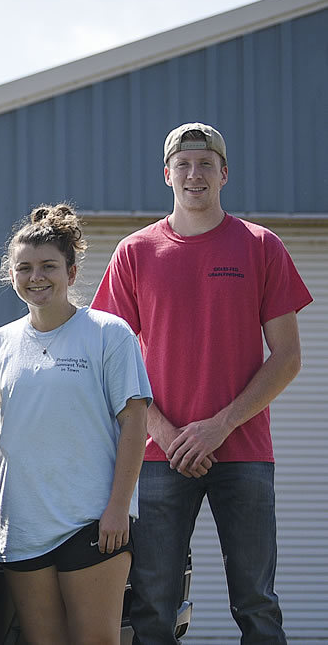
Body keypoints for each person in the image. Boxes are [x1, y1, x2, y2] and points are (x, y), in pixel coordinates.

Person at [91, 123, 311, 644]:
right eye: (184, 165)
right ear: (167, 174)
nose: (195, 175)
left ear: (224, 174)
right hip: (157, 456)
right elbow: (110, 364)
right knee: (152, 607)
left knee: (257, 604)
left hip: (245, 453)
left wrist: (220, 426)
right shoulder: (135, 253)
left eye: (206, 164)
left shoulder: (261, 246)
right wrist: (166, 434)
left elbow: (288, 358)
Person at [0, 204, 150, 645]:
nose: (36, 276)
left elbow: (136, 423)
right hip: (21, 526)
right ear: (12, 274)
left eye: (48, 267)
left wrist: (118, 508)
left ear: (72, 273)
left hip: (92, 522)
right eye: (25, 268)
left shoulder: (107, 333)